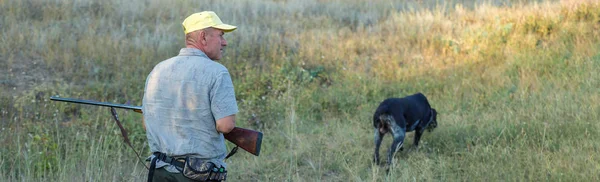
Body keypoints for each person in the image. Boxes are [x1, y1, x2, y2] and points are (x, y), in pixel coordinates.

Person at [142, 11, 238, 182]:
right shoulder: (217, 72)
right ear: (203, 37)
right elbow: (225, 125)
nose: (225, 42)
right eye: (220, 36)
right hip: (197, 174)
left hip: (160, 171)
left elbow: (146, 123)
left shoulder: (158, 70)